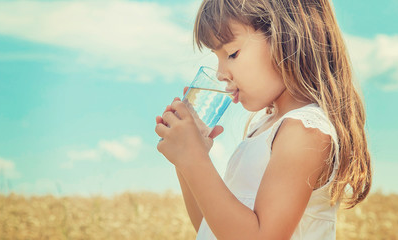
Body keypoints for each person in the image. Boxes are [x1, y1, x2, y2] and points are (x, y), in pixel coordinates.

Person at [154, 0, 371, 239]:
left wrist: (194, 159)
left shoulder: (304, 130)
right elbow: (212, 228)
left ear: (286, 36)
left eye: (231, 53)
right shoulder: (264, 127)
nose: (220, 73)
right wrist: (186, 161)